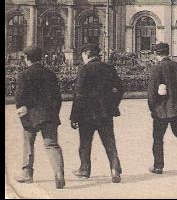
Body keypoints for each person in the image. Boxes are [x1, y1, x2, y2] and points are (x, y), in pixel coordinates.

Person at [70, 43, 124, 183]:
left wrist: (74, 116)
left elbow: (78, 94)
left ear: (87, 54)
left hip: (86, 114)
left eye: (83, 55)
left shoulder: (85, 69)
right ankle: (115, 168)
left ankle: (84, 169)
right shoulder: (109, 68)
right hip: (105, 113)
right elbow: (120, 88)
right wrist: (112, 104)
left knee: (85, 143)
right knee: (109, 142)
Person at [14, 46, 66, 189]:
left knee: (28, 144)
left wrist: (22, 112)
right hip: (49, 115)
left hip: (30, 116)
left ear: (26, 58)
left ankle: (27, 174)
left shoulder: (23, 75)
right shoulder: (50, 74)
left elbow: (19, 98)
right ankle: (59, 174)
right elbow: (57, 97)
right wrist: (54, 112)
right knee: (51, 145)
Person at [147, 43, 177, 178]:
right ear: (168, 52)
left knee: (158, 138)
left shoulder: (156, 69)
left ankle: (158, 166)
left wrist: (153, 108)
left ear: (156, 54)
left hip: (161, 110)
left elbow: (151, 93)